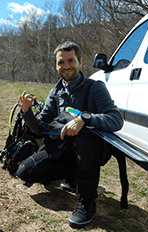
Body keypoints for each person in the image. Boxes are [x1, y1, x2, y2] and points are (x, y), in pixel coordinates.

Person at [16, 41, 123, 229]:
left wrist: (85, 119)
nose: (66, 66)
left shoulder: (95, 87)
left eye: (70, 61)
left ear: (80, 61)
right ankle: (71, 174)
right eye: (61, 62)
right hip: (63, 149)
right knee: (24, 171)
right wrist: (27, 112)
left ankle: (87, 200)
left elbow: (116, 119)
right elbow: (41, 128)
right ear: (56, 66)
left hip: (91, 150)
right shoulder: (55, 92)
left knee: (83, 137)